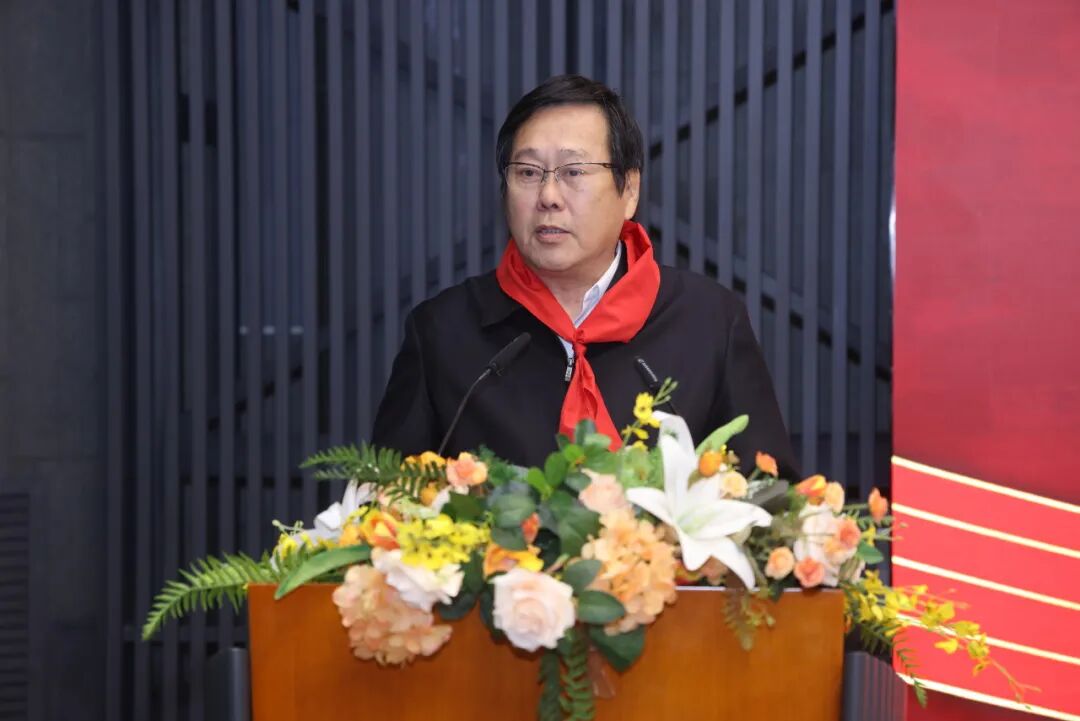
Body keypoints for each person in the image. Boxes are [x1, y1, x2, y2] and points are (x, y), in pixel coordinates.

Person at [372, 74, 798, 478]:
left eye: (574, 172)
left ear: (629, 190)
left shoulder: (709, 321)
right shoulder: (443, 332)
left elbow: (771, 496)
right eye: (527, 172)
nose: (548, 196)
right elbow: (382, 502)